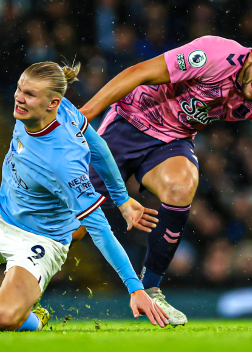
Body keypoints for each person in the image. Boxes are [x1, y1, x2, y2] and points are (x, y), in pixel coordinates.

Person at [0, 61, 169, 332]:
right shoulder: (59, 109)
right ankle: (10, 305)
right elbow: (99, 146)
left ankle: (28, 318)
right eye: (19, 89)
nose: (19, 98)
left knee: (5, 319)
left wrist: (134, 287)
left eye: (29, 94)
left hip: (39, 239)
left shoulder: (63, 162)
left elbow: (100, 229)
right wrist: (122, 199)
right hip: (2, 215)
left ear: (52, 103)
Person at [76, 35, 252, 326]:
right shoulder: (215, 54)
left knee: (180, 186)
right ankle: (14, 276)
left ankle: (151, 288)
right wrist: (82, 117)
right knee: (77, 227)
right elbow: (139, 72)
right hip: (130, 122)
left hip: (172, 140)